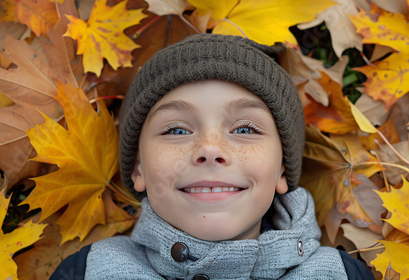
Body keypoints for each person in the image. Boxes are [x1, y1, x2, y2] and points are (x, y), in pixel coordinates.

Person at [50, 33, 374, 280]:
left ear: (282, 169)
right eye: (177, 130)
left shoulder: (340, 273)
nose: (210, 149)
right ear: (138, 168)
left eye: (245, 129)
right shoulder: (88, 271)